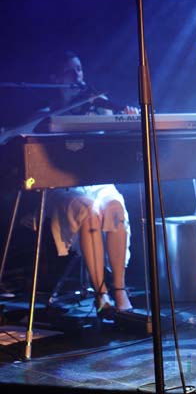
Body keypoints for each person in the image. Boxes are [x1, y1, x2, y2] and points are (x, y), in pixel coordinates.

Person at [43, 50, 137, 318]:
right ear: (55, 79)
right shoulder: (49, 113)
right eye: (70, 72)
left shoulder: (99, 106)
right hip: (65, 187)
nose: (77, 76)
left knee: (115, 206)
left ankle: (120, 289)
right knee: (89, 210)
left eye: (80, 70)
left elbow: (122, 133)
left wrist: (127, 116)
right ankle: (101, 295)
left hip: (99, 183)